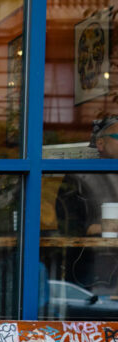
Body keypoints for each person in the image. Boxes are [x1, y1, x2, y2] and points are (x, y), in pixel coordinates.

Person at [53, 115, 118, 294]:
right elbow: (68, 224)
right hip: (91, 270)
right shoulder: (80, 176)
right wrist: (100, 228)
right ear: (100, 144)